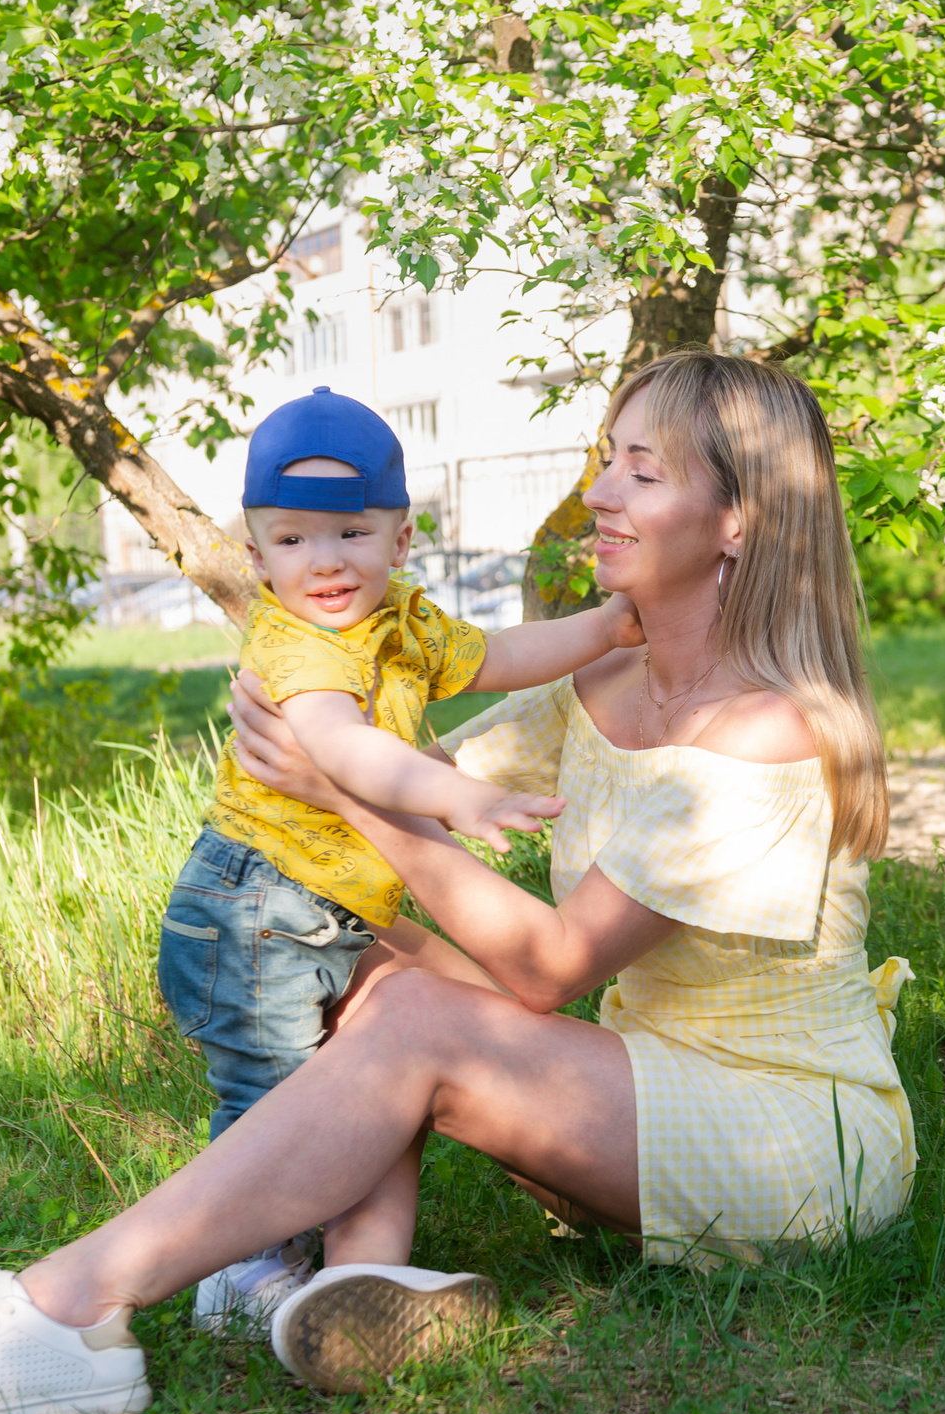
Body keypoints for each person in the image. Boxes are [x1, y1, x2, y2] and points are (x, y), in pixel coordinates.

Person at [0, 352, 913, 1414]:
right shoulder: (609, 680)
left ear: (739, 520)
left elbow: (549, 964)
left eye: (642, 470)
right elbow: (398, 774)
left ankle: (66, 1307)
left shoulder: (768, 727)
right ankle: (362, 1274)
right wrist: (312, 712)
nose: (599, 494)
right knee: (337, 942)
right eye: (606, 460)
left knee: (411, 1004)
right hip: (642, 1090)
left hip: (797, 1143)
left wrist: (343, 783)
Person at [159, 384, 643, 1336]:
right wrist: (459, 794)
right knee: (277, 1098)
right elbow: (343, 754)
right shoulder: (298, 645)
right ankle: (239, 1270)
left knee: (342, 1087)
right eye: (291, 542)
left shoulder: (403, 623)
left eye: (349, 532)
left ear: (401, 537)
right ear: (256, 557)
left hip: (318, 912)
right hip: (253, 911)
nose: (324, 562)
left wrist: (608, 628)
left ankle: (346, 1276)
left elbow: (497, 652)